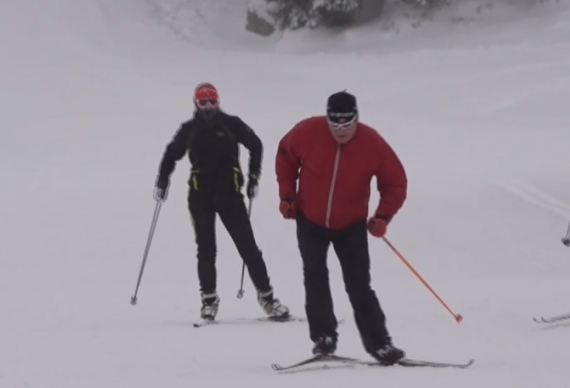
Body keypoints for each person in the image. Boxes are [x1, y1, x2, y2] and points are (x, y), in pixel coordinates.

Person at [275, 91, 408, 364]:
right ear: (328, 119)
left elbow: (395, 182)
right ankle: (324, 337)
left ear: (356, 119)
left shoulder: (372, 143)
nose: (341, 131)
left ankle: (380, 344)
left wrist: (383, 216)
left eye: (347, 125)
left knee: (359, 285)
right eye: (335, 125)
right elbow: (285, 156)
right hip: (310, 219)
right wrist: (288, 197)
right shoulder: (307, 131)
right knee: (315, 277)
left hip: (351, 224)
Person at [154, 82, 290, 322]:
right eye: (203, 101)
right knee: (206, 249)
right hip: (200, 197)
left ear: (219, 102)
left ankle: (267, 298)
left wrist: (254, 176)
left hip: (230, 195)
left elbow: (255, 144)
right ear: (195, 103)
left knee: (248, 247)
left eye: (212, 101)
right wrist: (162, 181)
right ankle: (209, 300)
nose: (208, 106)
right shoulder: (189, 129)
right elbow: (171, 154)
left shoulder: (231, 123)